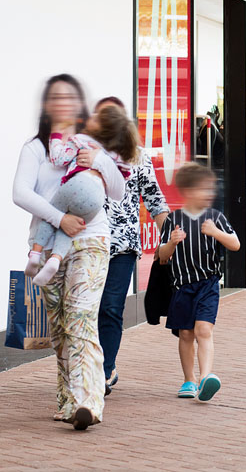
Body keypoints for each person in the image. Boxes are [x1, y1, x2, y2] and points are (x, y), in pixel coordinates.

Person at [11, 74, 107, 431]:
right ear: (46, 106)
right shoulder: (35, 148)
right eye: (55, 97)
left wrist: (99, 160)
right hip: (49, 244)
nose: (63, 103)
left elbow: (118, 188)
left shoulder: (94, 144)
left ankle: (88, 401)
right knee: (61, 328)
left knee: (81, 317)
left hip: (92, 240)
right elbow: (20, 192)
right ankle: (68, 399)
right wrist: (60, 218)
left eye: (70, 97)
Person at [91, 97, 169, 395]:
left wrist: (174, 236)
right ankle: (89, 367)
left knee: (111, 307)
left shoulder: (138, 156)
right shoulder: (85, 153)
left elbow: (154, 197)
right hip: (87, 244)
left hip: (122, 245)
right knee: (88, 309)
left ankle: (105, 370)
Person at [157, 163, 241, 402]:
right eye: (204, 189)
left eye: (210, 189)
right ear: (188, 192)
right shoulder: (173, 220)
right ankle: (189, 379)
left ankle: (206, 378)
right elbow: (162, 257)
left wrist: (216, 233)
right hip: (182, 286)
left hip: (208, 284)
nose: (209, 194)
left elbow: (235, 244)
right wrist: (172, 243)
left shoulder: (216, 218)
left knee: (203, 330)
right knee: (185, 333)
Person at [25, 104, 134, 286]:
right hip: (96, 201)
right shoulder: (117, 153)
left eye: (96, 117)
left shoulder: (82, 140)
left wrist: (57, 135)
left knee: (52, 214)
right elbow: (122, 180)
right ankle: (56, 259)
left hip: (77, 185)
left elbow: (58, 158)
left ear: (100, 127)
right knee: (70, 227)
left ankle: (35, 254)